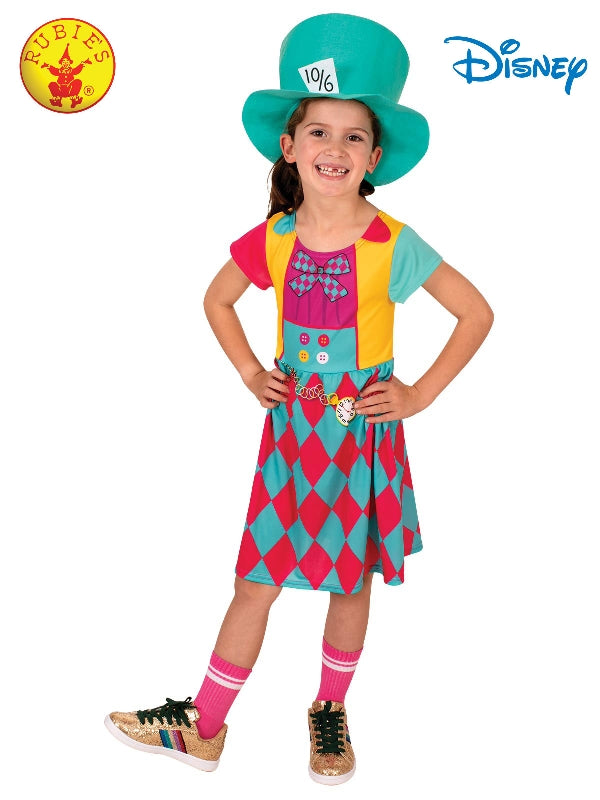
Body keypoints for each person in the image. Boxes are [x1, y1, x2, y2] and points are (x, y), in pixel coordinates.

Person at [105, 13, 493, 786]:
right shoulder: (275, 237)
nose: (334, 148)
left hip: (359, 437)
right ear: (290, 146)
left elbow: (476, 313)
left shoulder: (393, 242)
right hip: (290, 437)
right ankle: (204, 726)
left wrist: (417, 394)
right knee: (257, 577)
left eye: (354, 137)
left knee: (349, 580)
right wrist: (252, 373)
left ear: (374, 157)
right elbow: (217, 300)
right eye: (319, 131)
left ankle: (329, 711)